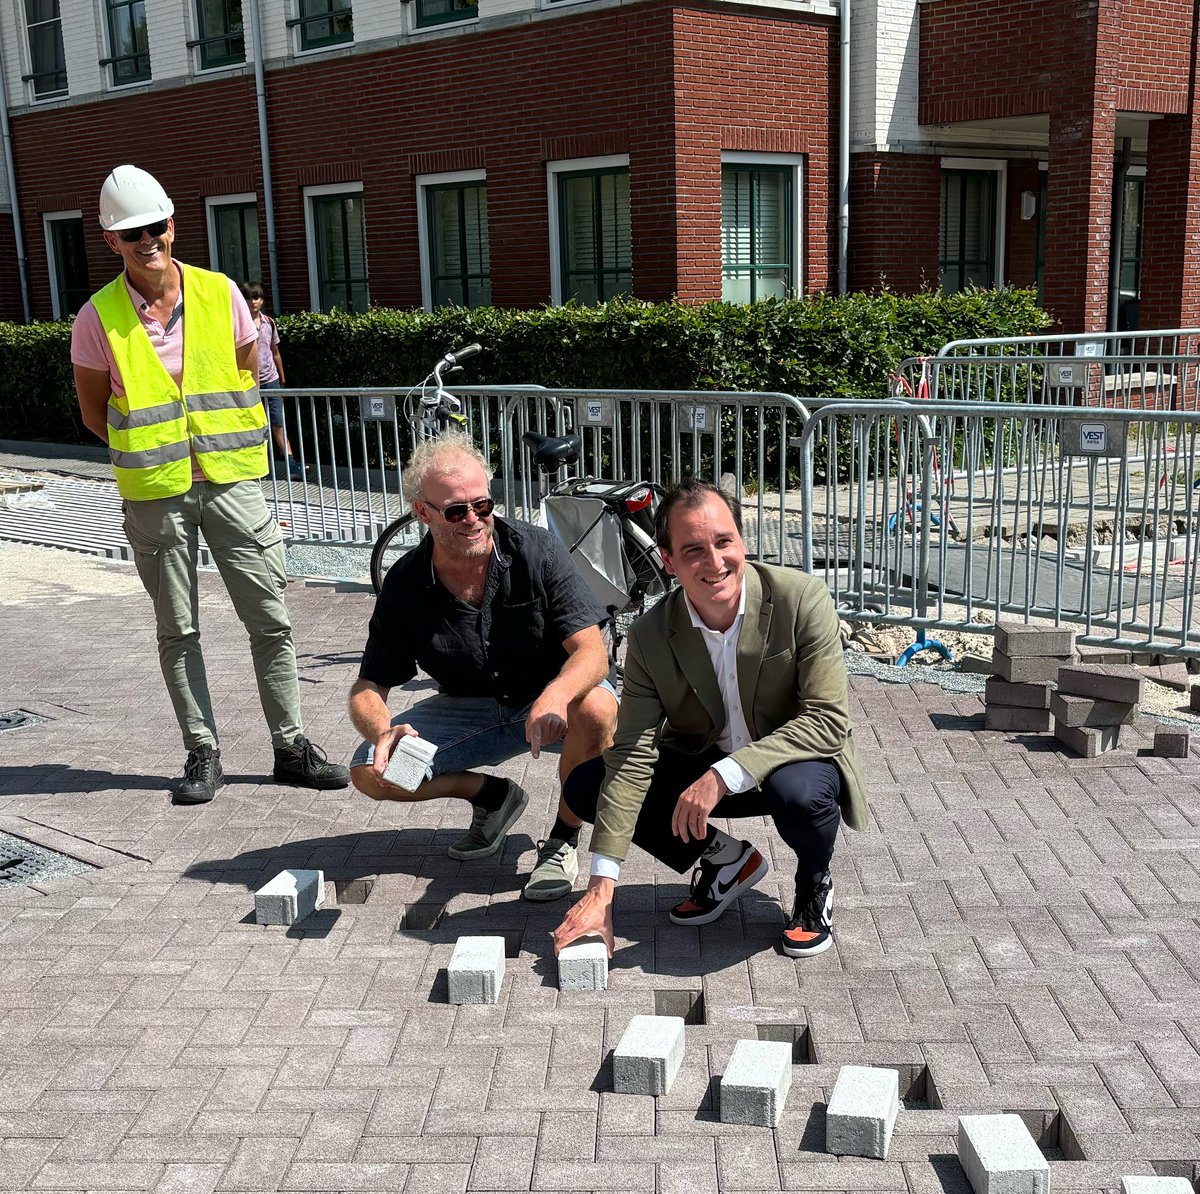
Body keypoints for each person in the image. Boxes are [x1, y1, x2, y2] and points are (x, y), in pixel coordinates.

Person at [71, 164, 349, 804]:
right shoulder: (97, 318)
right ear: (111, 240)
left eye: (156, 226)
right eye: (131, 232)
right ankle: (203, 753)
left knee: (271, 620)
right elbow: (94, 413)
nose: (148, 240)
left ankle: (291, 747)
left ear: (173, 225)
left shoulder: (220, 293)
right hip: (156, 491)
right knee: (178, 629)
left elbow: (246, 376)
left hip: (232, 482)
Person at [551, 478, 867, 960]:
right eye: (693, 550)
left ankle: (813, 885)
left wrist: (725, 774)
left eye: (724, 542)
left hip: (792, 761)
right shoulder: (650, 635)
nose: (715, 562)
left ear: (742, 541)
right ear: (668, 561)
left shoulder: (803, 598)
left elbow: (826, 719)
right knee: (586, 783)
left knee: (799, 795)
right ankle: (727, 862)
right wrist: (601, 890)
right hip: (703, 758)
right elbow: (632, 752)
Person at [348, 432, 618, 898]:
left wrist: (555, 694)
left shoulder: (537, 551)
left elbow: (592, 651)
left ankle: (563, 837)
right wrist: (380, 731)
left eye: (483, 505)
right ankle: (492, 797)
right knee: (371, 773)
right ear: (423, 513)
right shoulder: (407, 582)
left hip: (552, 700)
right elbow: (369, 684)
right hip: (469, 709)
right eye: (456, 511)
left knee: (597, 707)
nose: (474, 519)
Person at [239, 280, 302, 480]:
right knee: (255, 423)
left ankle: (292, 464)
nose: (252, 302)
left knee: (277, 421)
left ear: (262, 300)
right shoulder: (239, 325)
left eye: (256, 298)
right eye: (248, 298)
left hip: (270, 378)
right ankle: (258, 466)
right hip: (249, 381)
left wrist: (282, 376)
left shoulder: (269, 323)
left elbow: (275, 352)